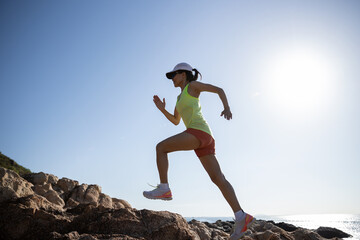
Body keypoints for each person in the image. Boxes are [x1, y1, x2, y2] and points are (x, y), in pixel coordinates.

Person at [143, 62, 255, 239]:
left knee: (161, 148)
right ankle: (241, 216)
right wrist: (162, 109)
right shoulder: (179, 98)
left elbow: (219, 90)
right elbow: (175, 120)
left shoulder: (192, 87)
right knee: (218, 178)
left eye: (174, 75)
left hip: (198, 132)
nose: (172, 79)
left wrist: (226, 107)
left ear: (183, 74)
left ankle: (164, 188)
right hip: (204, 138)